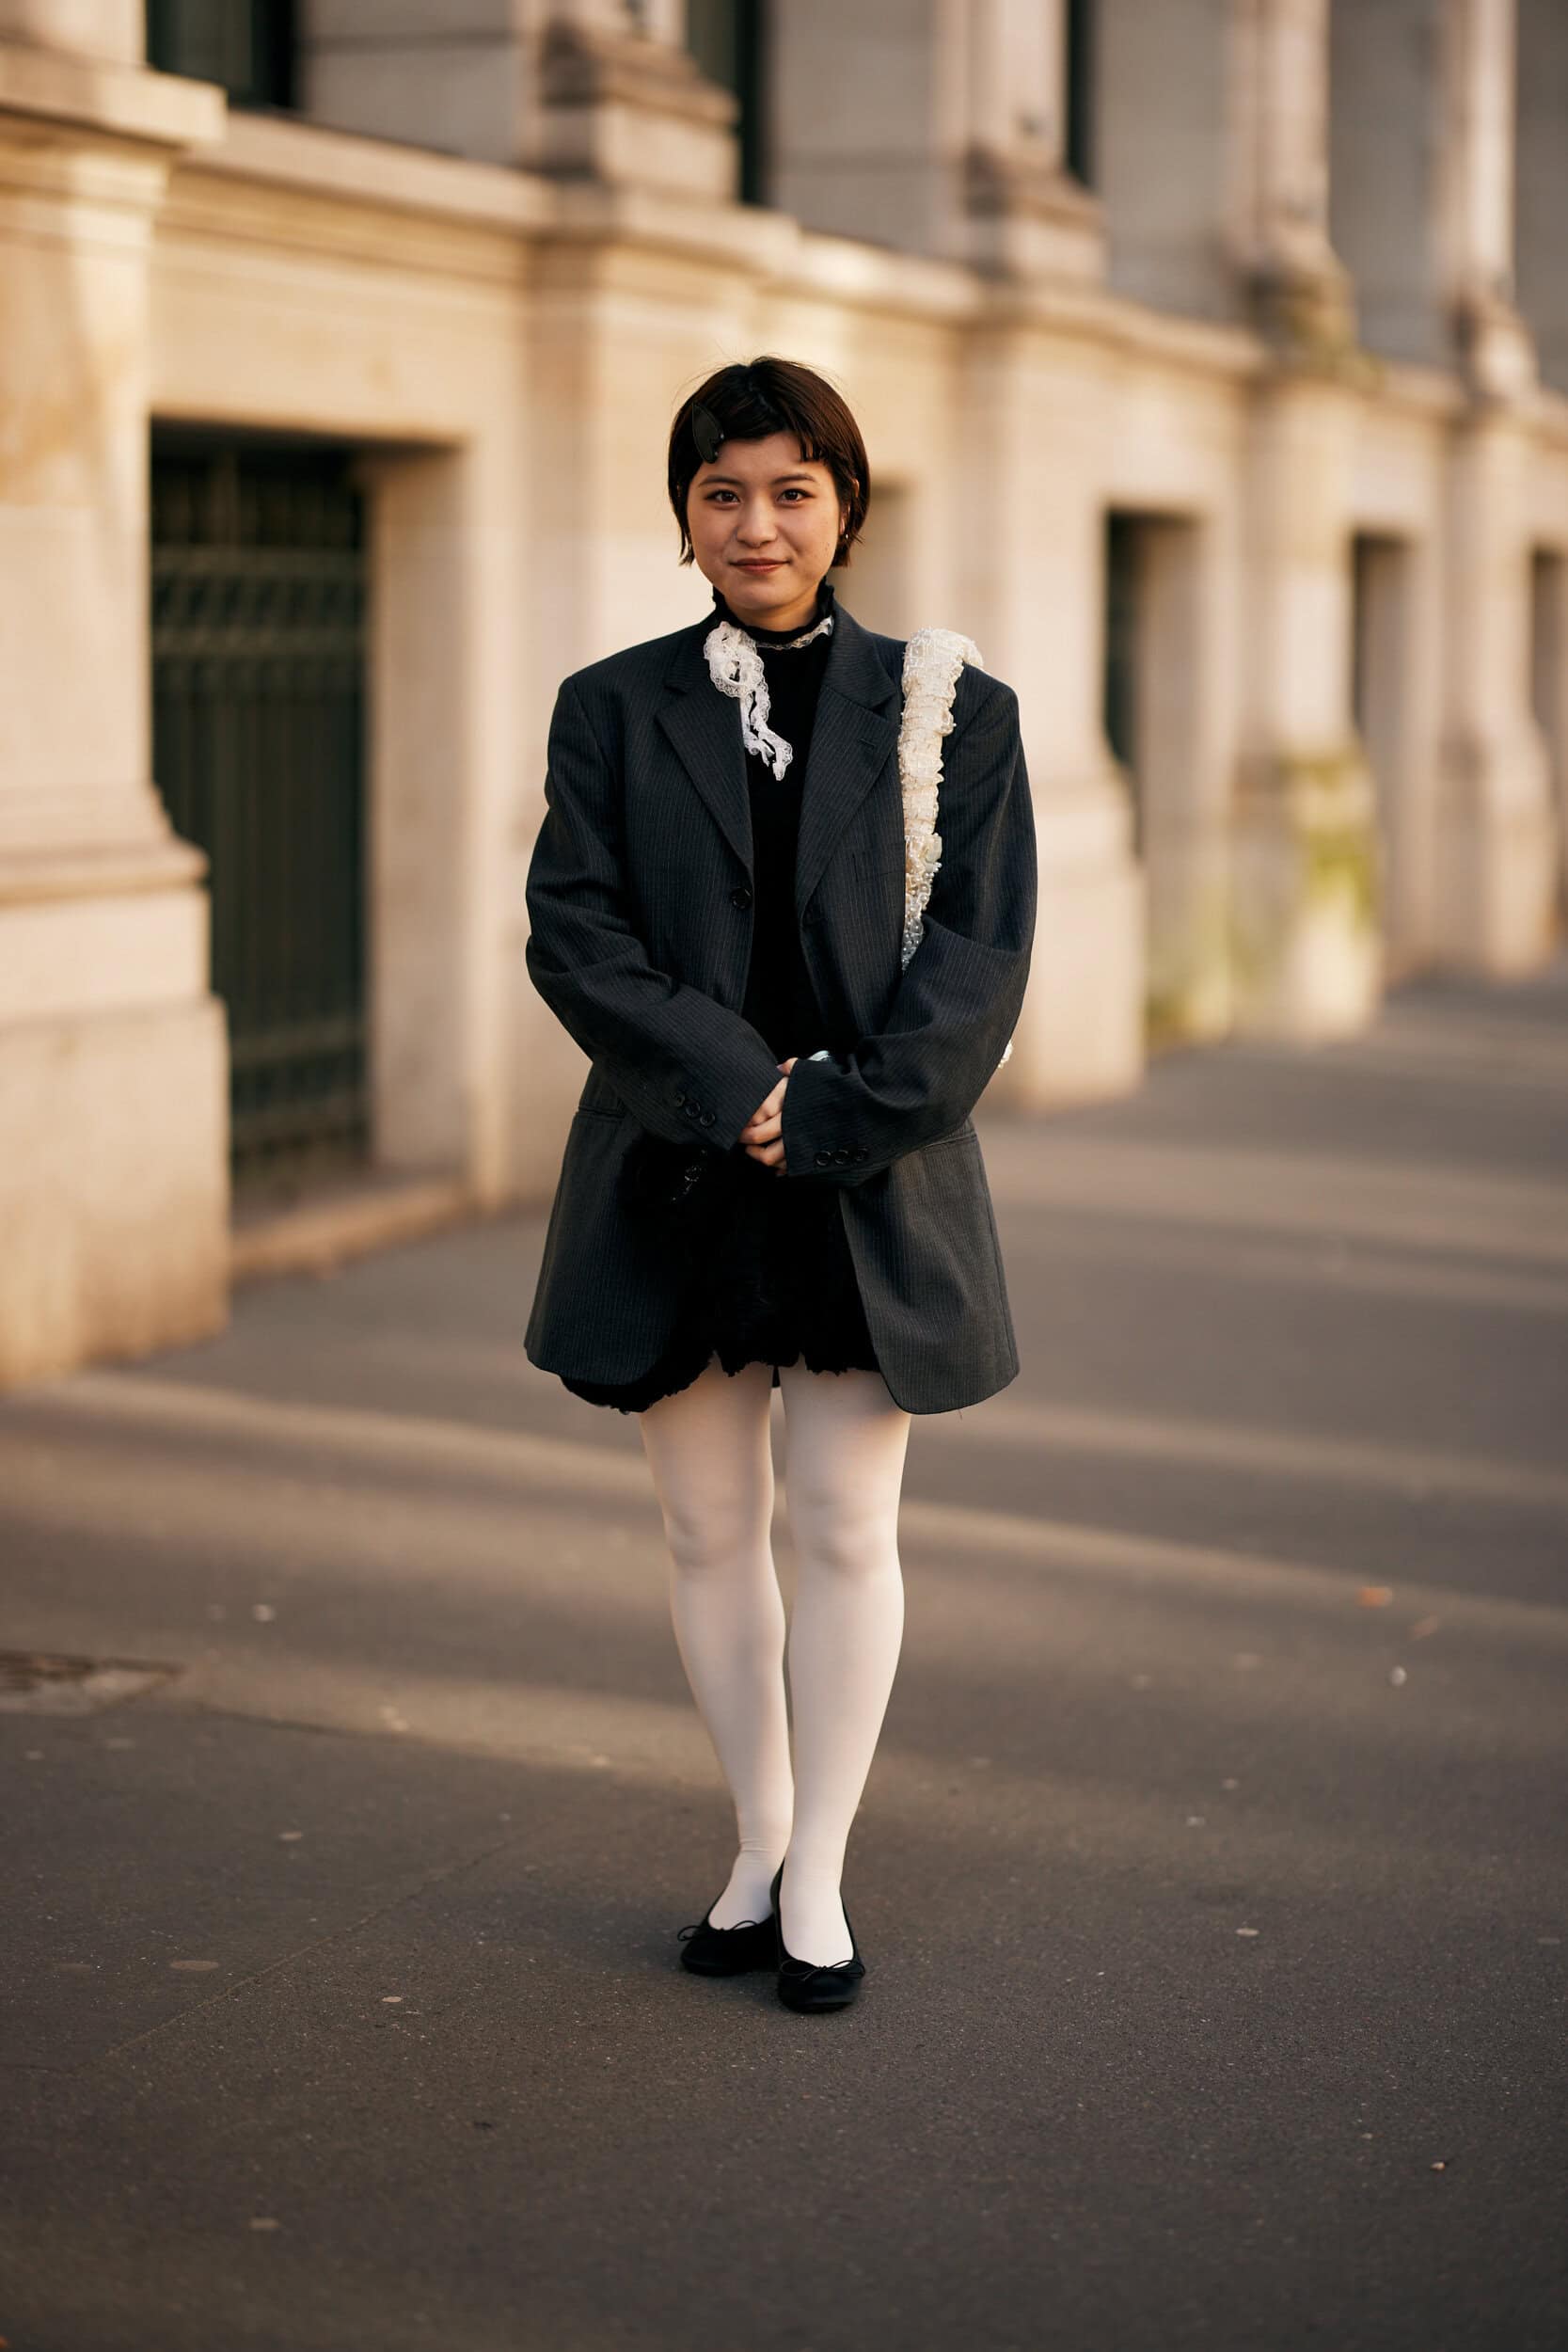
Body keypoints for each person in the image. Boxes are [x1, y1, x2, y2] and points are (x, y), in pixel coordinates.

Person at [523, 356, 1037, 2011]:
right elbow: (575, 936)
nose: (757, 523)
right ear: (683, 516)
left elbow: (976, 966)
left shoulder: (956, 709)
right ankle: (754, 1840)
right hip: (674, 1168)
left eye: (790, 490)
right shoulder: (612, 705)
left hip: (867, 1174)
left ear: (847, 507)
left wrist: (828, 1114)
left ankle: (820, 1875)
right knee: (702, 1526)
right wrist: (741, 1088)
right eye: (722, 492)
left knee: (843, 1522)